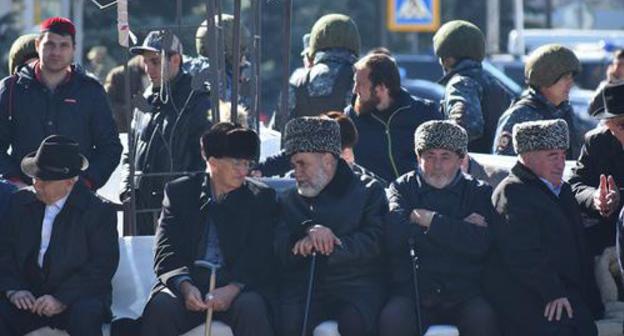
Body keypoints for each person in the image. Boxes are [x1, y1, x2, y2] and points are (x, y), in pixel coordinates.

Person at [141, 123, 277, 336]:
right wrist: (184, 286)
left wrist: (232, 289)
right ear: (213, 163)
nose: (244, 171)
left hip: (237, 286)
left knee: (252, 308)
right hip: (189, 283)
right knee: (162, 307)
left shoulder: (260, 197)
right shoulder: (180, 192)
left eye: (247, 164)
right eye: (236, 164)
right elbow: (165, 248)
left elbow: (260, 253)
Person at [380, 120, 500, 336]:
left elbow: (481, 243)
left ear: (461, 160)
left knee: (485, 320)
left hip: (464, 292)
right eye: (429, 156)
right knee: (392, 319)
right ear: (418, 157)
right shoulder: (401, 188)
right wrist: (459, 229)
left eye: (445, 157)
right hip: (414, 290)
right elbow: (395, 234)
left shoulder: (478, 192)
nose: (437, 165)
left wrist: (430, 220)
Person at [485, 119, 602, 336]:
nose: (561, 164)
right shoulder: (513, 192)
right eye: (552, 156)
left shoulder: (561, 190)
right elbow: (522, 253)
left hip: (564, 292)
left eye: (562, 155)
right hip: (530, 295)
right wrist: (552, 292)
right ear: (528, 157)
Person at [275, 117, 387, 336]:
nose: (295, 173)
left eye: (302, 164)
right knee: (288, 323)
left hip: (355, 285)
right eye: (293, 165)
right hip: (304, 285)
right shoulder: (290, 197)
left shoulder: (369, 190)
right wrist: (300, 244)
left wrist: (330, 244)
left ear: (327, 160)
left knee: (355, 324)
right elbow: (279, 241)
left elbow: (375, 240)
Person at [0, 135, 119, 335]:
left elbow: (102, 265)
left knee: (86, 315)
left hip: (77, 295)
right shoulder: (19, 203)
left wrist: (62, 298)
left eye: (44, 180)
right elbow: (4, 251)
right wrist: (13, 288)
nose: (37, 184)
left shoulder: (98, 211)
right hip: (27, 293)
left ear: (70, 183)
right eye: (35, 178)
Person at [0, 17, 122, 189]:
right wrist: (15, 182)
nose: (56, 52)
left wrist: (85, 183)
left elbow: (110, 148)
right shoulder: (11, 88)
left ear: (73, 49)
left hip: (76, 204)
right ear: (37, 45)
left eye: (63, 45)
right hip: (24, 200)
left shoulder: (90, 91)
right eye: (50, 44)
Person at [120, 30, 212, 235]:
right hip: (141, 212)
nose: (148, 68)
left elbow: (206, 160)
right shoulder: (144, 101)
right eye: (145, 62)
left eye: (155, 61)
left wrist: (187, 197)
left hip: (178, 212)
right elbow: (130, 153)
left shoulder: (197, 101)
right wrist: (127, 190)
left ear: (175, 60)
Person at [346, 53, 442, 183]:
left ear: (381, 87)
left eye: (360, 84)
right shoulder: (351, 119)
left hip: (418, 199)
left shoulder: (425, 113)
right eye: (354, 82)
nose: (354, 90)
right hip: (374, 200)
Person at [433, 20, 513, 153]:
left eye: (441, 57)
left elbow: (466, 126)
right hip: (495, 166)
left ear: (448, 59)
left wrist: (435, 145)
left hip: (471, 167)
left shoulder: (461, 83)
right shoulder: (494, 83)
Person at [273, 14, 360, 132]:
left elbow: (277, 132)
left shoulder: (297, 80)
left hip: (299, 149)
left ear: (315, 43)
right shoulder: (360, 79)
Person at [493, 44, 581, 159]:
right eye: (565, 78)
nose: (570, 83)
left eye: (571, 77)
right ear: (546, 78)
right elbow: (503, 163)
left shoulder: (565, 111)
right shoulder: (519, 115)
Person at [570, 82, 624, 257]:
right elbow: (575, 184)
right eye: (621, 125)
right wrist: (595, 197)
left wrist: (619, 197)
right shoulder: (596, 142)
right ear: (608, 125)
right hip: (607, 238)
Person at [104, 55, 148, 133]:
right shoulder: (122, 74)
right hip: (122, 126)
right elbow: (107, 101)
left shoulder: (141, 74)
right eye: (147, 61)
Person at [587, 49, 624, 116]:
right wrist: (609, 85)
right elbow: (591, 110)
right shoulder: (605, 85)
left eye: (621, 65)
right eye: (615, 64)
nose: (617, 68)